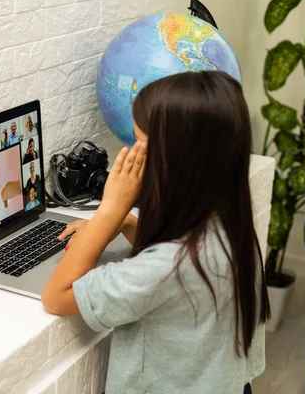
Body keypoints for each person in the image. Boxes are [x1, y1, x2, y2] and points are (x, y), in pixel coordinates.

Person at [41, 71, 269, 394]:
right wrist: (129, 223)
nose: (129, 153)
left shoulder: (163, 268)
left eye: (138, 144)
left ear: (172, 160)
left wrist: (109, 212)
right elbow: (181, 269)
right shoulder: (233, 230)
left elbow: (56, 295)